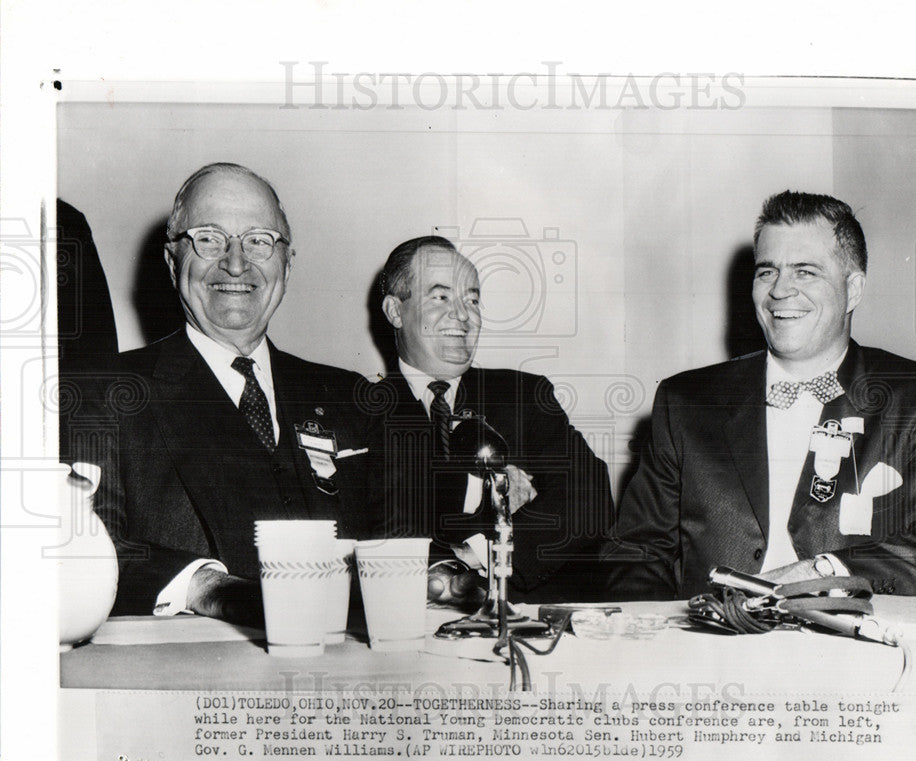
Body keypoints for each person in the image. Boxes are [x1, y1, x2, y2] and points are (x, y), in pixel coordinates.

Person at [605, 191, 916, 599]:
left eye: (806, 271)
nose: (780, 291)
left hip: (846, 649)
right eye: (767, 272)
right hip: (712, 649)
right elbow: (635, 554)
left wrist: (826, 569)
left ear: (853, 289)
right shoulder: (686, 401)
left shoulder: (915, 399)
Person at [67, 163, 382, 624]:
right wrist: (202, 585)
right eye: (209, 238)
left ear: (287, 264)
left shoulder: (349, 394)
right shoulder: (105, 394)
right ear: (173, 261)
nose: (235, 263)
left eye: (258, 240)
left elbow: (398, 533)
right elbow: (83, 543)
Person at [377, 236, 614, 603]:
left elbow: (590, 495)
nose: (462, 314)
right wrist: (495, 503)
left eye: (472, 299)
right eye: (440, 297)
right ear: (395, 310)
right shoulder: (359, 408)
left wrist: (484, 552)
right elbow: (374, 524)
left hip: (523, 616)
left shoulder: (524, 396)